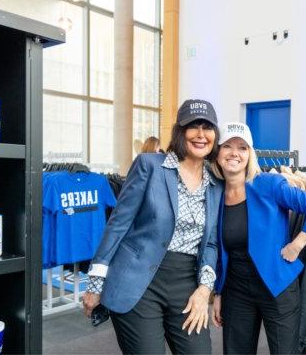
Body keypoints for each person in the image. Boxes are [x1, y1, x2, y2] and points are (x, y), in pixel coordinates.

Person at [82, 99, 223, 354]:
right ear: (180, 131)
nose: (201, 135)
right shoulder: (150, 165)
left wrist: (205, 289)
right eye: (193, 126)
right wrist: (95, 283)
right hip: (138, 281)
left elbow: (211, 241)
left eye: (208, 127)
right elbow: (118, 224)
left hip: (186, 284)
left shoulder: (215, 183)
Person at [210, 122, 306, 354]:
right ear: (218, 153)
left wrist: (297, 244)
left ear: (250, 155)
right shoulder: (214, 193)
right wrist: (218, 292)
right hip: (236, 290)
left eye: (242, 148)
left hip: (277, 286)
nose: (234, 153)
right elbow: (216, 247)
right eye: (227, 146)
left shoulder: (269, 184)